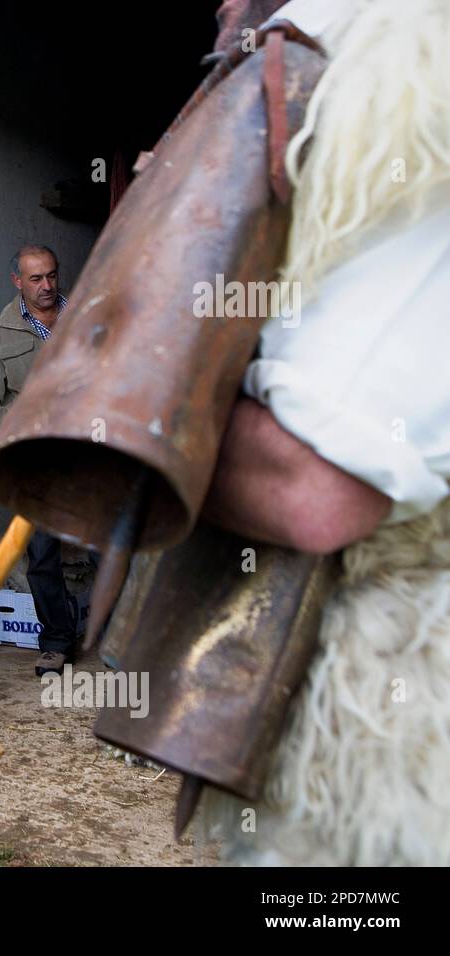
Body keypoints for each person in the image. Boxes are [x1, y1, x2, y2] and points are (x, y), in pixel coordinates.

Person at [195, 0, 450, 864]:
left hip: (395, 712)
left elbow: (319, 487)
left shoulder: (399, 61)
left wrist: (123, 424)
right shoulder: (298, 58)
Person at [0, 245, 79, 675]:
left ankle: (117, 637)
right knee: (43, 553)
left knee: (111, 549)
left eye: (52, 275)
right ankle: (57, 641)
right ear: (17, 281)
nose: (47, 286)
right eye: (35, 279)